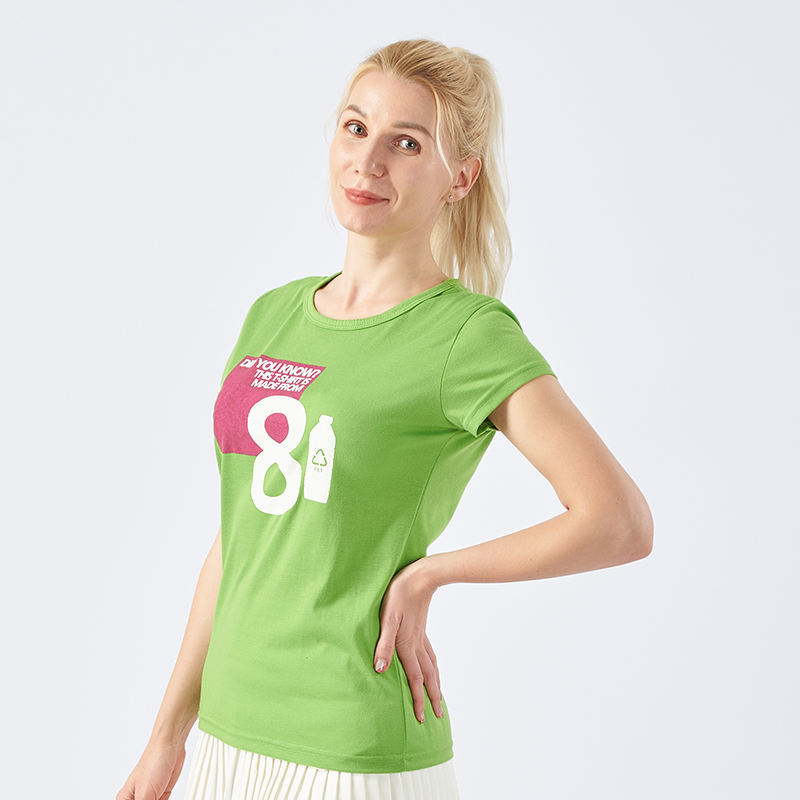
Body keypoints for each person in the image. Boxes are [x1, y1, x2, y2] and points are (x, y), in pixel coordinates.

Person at [117, 38, 653, 800]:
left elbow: (619, 520)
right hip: (227, 736)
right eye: (355, 127)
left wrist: (432, 572)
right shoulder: (272, 315)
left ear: (459, 177)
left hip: (352, 748)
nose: (367, 162)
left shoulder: (467, 336)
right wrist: (168, 735)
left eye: (407, 143)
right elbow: (240, 535)